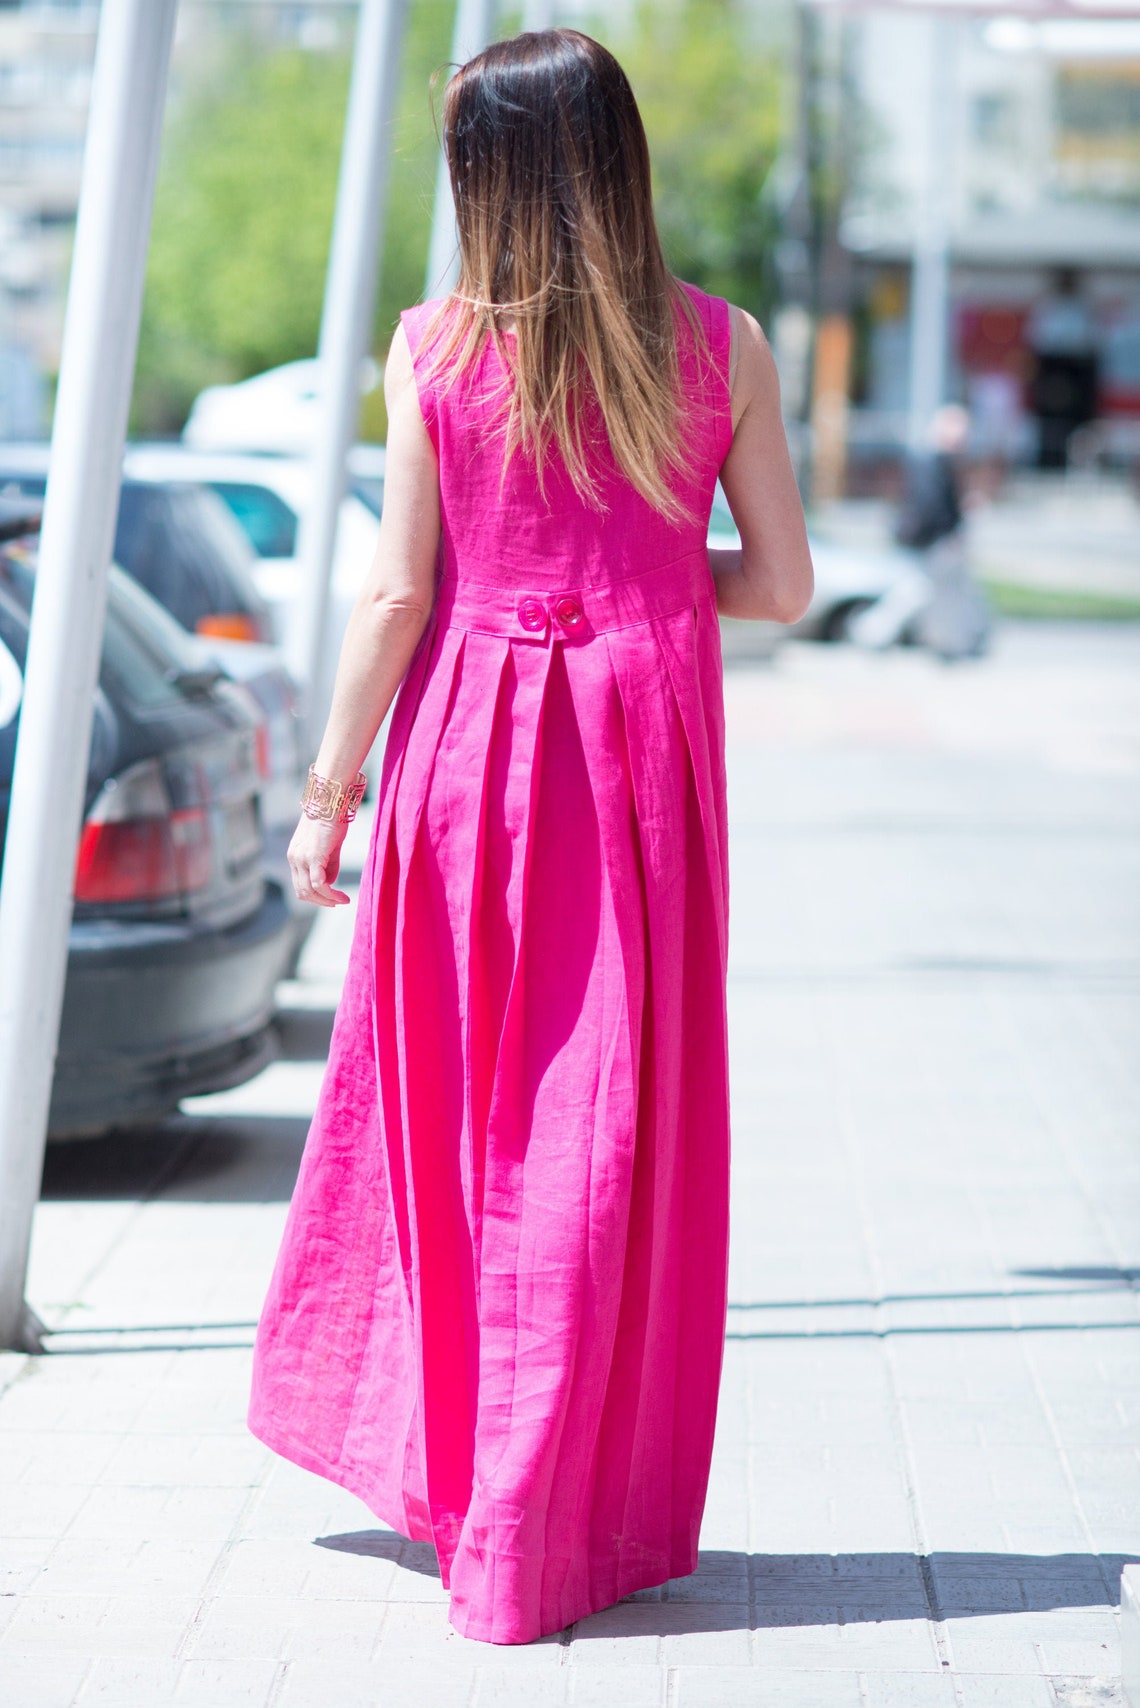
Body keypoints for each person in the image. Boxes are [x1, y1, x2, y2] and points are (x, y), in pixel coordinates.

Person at [248, 28, 813, 1646]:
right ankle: (574, 1509)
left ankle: (484, 1501)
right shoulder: (730, 345)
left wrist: (329, 784)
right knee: (605, 1131)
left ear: (485, 176)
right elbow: (780, 584)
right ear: (622, 159)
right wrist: (643, 596)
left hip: (466, 760)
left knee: (457, 1114)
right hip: (639, 760)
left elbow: (400, 592)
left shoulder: (432, 350)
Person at [848, 403, 990, 660]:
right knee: (916, 593)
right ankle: (872, 634)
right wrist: (949, 530)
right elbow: (933, 507)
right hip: (931, 543)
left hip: (931, 542)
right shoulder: (933, 463)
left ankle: (948, 642)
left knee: (933, 594)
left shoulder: (935, 462)